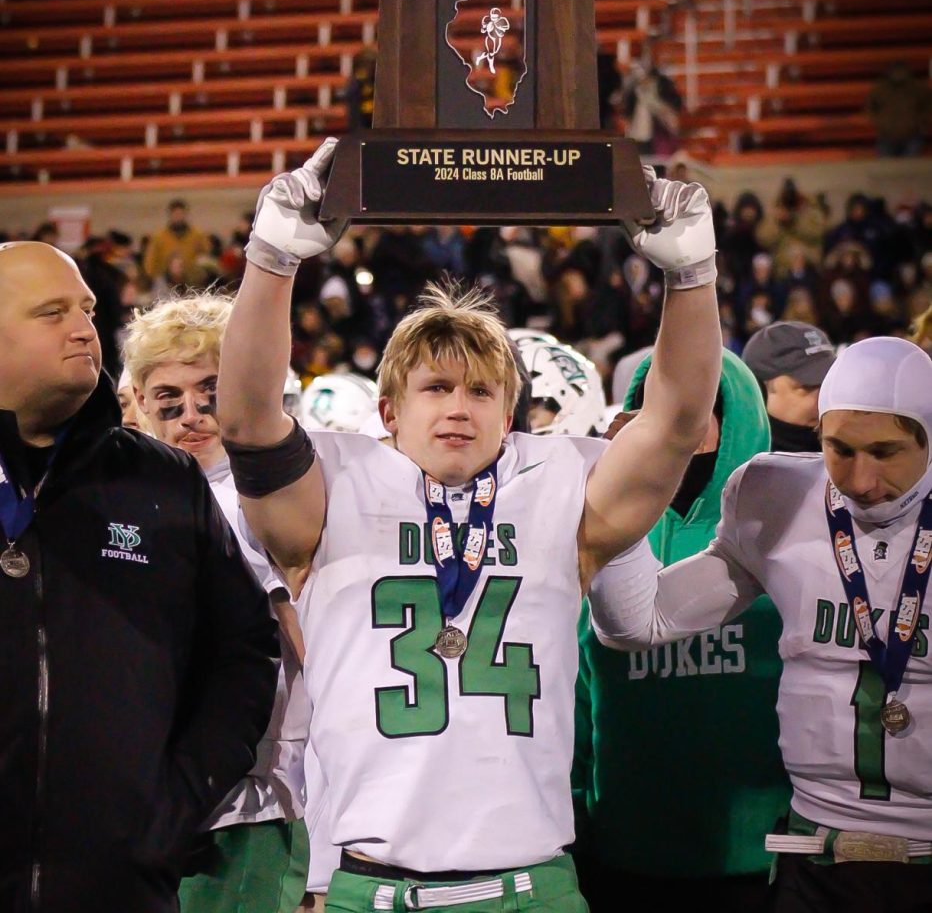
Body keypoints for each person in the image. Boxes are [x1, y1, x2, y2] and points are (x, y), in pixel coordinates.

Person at [217, 138, 721, 910]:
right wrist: (272, 260)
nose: (459, 406)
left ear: (510, 411)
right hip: (370, 888)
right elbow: (249, 421)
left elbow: (678, 421)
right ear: (389, 409)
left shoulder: (558, 482)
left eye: (483, 391)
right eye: (436, 387)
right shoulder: (336, 485)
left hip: (532, 885)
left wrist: (692, 277)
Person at [588, 336, 932, 913]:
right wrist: (622, 490)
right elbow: (637, 623)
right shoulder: (777, 495)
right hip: (813, 857)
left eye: (886, 451)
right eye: (839, 449)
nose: (861, 478)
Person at [0, 242, 279, 913]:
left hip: (121, 884)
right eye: (51, 313)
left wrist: (170, 811)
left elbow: (242, 654)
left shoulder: (162, 479)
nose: (82, 329)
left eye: (87, 310)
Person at [573, 348, 788, 913]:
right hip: (625, 855)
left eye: (690, 412)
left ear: (734, 416)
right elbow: (572, 692)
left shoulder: (786, 533)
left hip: (761, 858)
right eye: (654, 411)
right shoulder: (599, 530)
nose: (672, 428)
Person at [123, 293, 310, 913]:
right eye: (168, 399)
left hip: (254, 803)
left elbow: (307, 646)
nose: (192, 414)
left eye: (211, 390)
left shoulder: (268, 494)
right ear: (140, 406)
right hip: (148, 800)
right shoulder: (130, 497)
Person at [743, 321, 836, 453]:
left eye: (830, 384)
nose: (824, 399)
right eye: (807, 387)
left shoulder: (854, 450)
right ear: (758, 392)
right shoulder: (738, 465)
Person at [865, 61, 931, 158]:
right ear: (889, 72)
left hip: (912, 135)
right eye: (896, 71)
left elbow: (928, 107)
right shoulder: (879, 90)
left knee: (911, 169)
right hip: (886, 136)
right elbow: (869, 108)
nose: (898, 73)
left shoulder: (918, 89)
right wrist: (880, 122)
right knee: (885, 169)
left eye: (901, 71)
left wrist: (920, 121)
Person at [142, 199, 213, 289]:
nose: (178, 217)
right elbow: (150, 263)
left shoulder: (197, 236)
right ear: (170, 215)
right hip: (166, 283)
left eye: (181, 214)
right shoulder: (159, 237)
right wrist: (157, 278)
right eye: (176, 214)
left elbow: (207, 257)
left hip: (192, 282)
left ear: (185, 214)